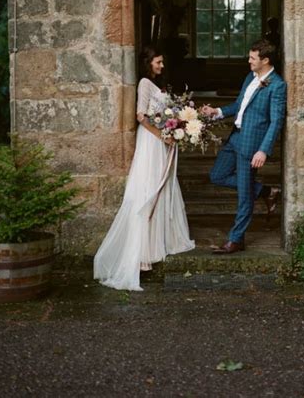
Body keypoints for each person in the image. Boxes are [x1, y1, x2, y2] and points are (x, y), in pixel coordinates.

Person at [94, 46, 194, 290]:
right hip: (151, 142)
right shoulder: (144, 84)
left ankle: (157, 242)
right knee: (148, 186)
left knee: (162, 184)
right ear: (149, 62)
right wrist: (162, 135)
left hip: (160, 141)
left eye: (162, 62)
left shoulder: (156, 84)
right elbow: (141, 116)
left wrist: (176, 127)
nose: (161, 66)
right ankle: (141, 253)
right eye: (158, 62)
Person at [202, 39, 286, 254]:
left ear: (265, 60)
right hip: (235, 138)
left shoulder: (277, 85)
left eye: (252, 58)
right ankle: (266, 191)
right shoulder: (250, 77)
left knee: (244, 196)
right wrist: (217, 112)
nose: (248, 61)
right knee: (217, 175)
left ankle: (236, 239)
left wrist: (263, 150)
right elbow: (239, 106)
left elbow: (276, 121)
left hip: (252, 145)